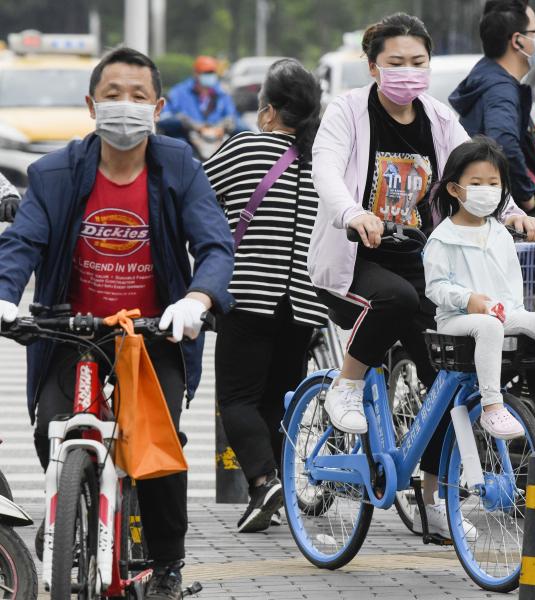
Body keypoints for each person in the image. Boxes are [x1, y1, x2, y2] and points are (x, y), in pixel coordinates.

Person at [0, 48, 235, 599]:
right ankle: (72, 513)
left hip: (151, 333)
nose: (124, 108)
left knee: (157, 449)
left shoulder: (178, 166)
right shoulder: (54, 172)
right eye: (112, 96)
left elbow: (215, 245)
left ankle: (167, 564)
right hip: (70, 329)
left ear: (157, 107)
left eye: (137, 97)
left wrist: (197, 300)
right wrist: (4, 296)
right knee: (50, 430)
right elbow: (21, 244)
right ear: (91, 105)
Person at [309, 13, 535, 539]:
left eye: (418, 62)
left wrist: (509, 212)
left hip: (420, 260)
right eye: (395, 63)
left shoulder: (438, 118)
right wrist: (353, 214)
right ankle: (344, 388)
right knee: (389, 299)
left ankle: (435, 501)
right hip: (355, 257)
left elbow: (470, 174)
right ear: (373, 66)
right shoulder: (346, 112)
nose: (408, 72)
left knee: (445, 381)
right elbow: (325, 170)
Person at [204, 59, 328, 534]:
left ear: (269, 111)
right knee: (279, 398)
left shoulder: (245, 149)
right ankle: (279, 489)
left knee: (237, 398)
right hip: (306, 303)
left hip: (250, 293)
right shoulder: (326, 159)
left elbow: (197, 198)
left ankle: (262, 481)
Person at [424, 136, 535, 438]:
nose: (488, 191)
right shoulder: (443, 238)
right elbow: (436, 287)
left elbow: (510, 280)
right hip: (455, 319)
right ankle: (492, 407)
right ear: (455, 189)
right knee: (490, 326)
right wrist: (468, 299)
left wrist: (513, 311)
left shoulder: (499, 232)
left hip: (500, 312)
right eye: (477, 183)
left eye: (494, 184)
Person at [449, 0, 535, 221]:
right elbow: (503, 142)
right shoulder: (500, 89)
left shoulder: (488, 78)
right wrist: (528, 198)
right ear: (517, 40)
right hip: (509, 217)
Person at [159, 55, 247, 142]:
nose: (210, 76)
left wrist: (223, 125)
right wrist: (187, 123)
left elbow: (232, 115)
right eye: (206, 73)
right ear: (196, 73)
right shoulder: (178, 93)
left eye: (212, 73)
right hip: (188, 140)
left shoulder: (222, 93)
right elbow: (164, 118)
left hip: (217, 139)